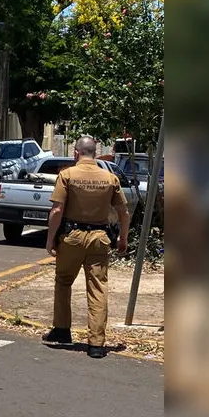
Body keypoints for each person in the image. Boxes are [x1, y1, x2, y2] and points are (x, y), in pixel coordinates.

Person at [43, 136, 130, 359]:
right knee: (98, 288)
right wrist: (122, 238)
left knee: (63, 281)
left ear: (76, 153)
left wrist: (50, 239)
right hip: (99, 238)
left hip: (72, 236)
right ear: (95, 154)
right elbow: (123, 212)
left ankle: (62, 330)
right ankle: (96, 344)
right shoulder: (110, 178)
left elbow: (56, 211)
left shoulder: (67, 175)